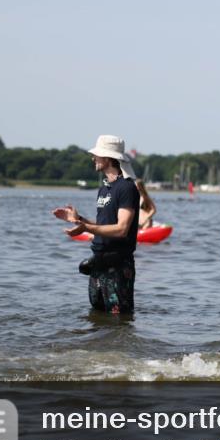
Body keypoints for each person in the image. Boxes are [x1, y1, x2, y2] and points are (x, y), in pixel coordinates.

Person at [53, 135, 140, 315]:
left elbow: (121, 229)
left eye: (97, 155)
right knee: (97, 317)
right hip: (98, 263)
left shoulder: (126, 188)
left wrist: (85, 228)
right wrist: (79, 220)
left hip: (118, 265)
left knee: (119, 319)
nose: (93, 158)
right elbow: (103, 225)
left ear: (108, 158)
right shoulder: (104, 188)